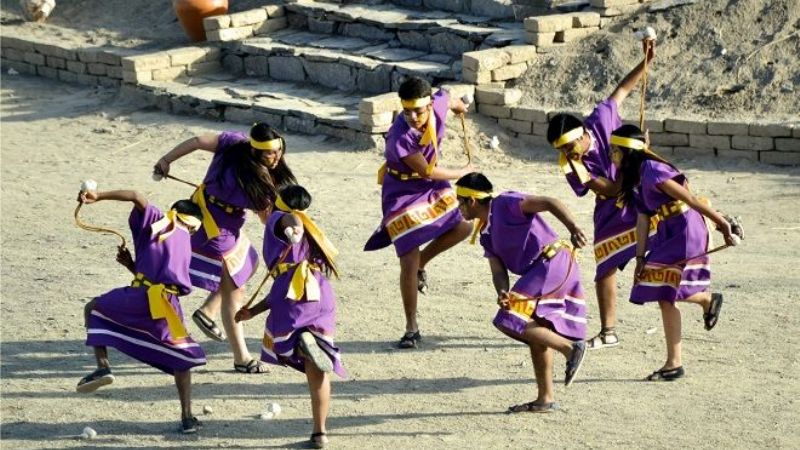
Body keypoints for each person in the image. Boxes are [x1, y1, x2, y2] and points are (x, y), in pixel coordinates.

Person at [154, 122, 297, 373]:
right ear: (255, 151)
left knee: (249, 261)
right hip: (215, 229)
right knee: (235, 291)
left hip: (222, 222)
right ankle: (242, 358)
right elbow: (266, 218)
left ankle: (208, 310)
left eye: (278, 151)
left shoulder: (234, 143)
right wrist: (287, 225)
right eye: (269, 154)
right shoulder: (256, 176)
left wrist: (167, 159)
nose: (276, 158)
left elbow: (197, 141)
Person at [545, 40, 655, 350]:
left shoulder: (603, 118)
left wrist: (645, 62)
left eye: (570, 145)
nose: (568, 152)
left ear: (582, 133)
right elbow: (608, 188)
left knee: (667, 237)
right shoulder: (570, 163)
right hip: (611, 210)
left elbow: (622, 90)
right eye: (563, 150)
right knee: (604, 270)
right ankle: (609, 332)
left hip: (641, 192)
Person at [610, 125, 739, 381]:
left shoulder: (653, 170)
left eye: (615, 150)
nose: (612, 155)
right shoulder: (634, 178)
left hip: (686, 228)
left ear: (627, 151)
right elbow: (643, 219)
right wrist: (638, 257)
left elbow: (691, 200)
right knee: (661, 289)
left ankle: (674, 362)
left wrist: (722, 224)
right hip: (668, 231)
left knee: (664, 290)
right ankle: (704, 304)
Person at [76, 187, 207, 434]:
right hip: (167, 305)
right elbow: (163, 276)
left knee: (93, 308)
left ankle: (102, 366)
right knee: (181, 358)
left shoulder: (160, 221)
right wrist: (132, 265)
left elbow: (136, 195)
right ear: (193, 225)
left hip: (141, 296)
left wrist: (98, 195)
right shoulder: (185, 241)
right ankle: (187, 417)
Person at [455, 172, 589, 412]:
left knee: (507, 320)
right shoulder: (485, 233)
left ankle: (571, 349)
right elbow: (498, 271)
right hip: (539, 271)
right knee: (534, 330)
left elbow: (549, 202)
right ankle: (545, 398)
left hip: (552, 263)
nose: (458, 207)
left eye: (460, 201)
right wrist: (503, 291)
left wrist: (573, 227)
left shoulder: (506, 203)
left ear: (472, 201)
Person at [364, 76, 474, 349]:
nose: (413, 117)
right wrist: (463, 172)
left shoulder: (435, 105)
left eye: (418, 111)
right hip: (401, 193)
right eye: (407, 111)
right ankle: (411, 326)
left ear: (427, 105)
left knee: (465, 226)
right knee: (407, 261)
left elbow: (446, 97)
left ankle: (422, 264)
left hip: (431, 188)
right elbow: (427, 170)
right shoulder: (399, 136)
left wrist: (459, 106)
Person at [236, 185, 344, 449]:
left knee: (283, 345)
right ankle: (320, 432)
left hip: (289, 297)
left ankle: (299, 342)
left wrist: (291, 228)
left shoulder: (281, 218)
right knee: (318, 370)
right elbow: (295, 220)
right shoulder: (309, 226)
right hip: (320, 295)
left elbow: (287, 219)